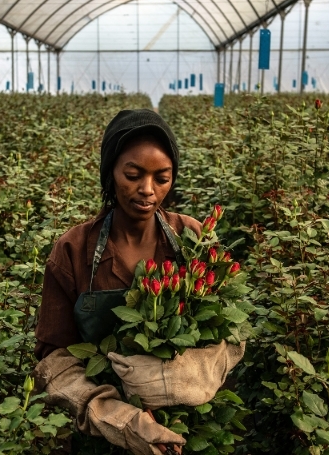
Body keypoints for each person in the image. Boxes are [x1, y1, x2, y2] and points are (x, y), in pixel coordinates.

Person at [32, 109, 244, 455]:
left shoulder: (192, 238)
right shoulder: (72, 250)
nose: (147, 190)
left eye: (162, 178)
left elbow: (227, 334)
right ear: (110, 173)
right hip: (98, 437)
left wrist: (181, 377)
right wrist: (118, 417)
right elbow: (52, 358)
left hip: (186, 430)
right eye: (133, 175)